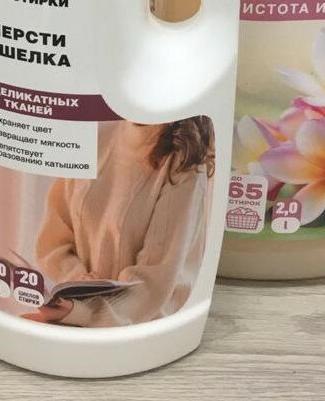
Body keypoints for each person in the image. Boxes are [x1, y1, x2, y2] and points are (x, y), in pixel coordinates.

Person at [23, 117, 214, 326]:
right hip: (82, 310)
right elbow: (52, 243)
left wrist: (83, 312)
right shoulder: (92, 137)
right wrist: (79, 280)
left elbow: (153, 284)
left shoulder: (184, 165)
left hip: (148, 323)